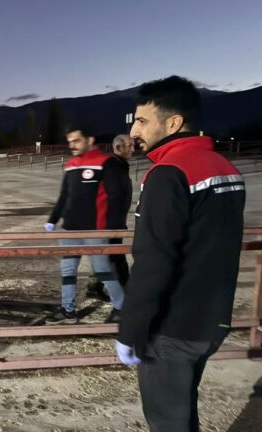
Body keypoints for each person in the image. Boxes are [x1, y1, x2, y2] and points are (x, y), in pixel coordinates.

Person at [116, 76, 245, 431]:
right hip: (213, 320)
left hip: (172, 329)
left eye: (142, 121)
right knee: (182, 408)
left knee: (168, 420)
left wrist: (130, 331)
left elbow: (153, 261)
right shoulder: (227, 169)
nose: (133, 130)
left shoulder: (168, 174)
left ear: (173, 122)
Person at [44, 126, 128, 325]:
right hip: (70, 230)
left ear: (90, 140)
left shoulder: (106, 163)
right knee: (67, 270)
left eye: (76, 141)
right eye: (69, 141)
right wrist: (53, 219)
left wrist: (114, 227)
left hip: (95, 230)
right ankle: (68, 311)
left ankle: (122, 308)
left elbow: (117, 197)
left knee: (102, 270)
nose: (71, 145)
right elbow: (65, 196)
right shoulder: (72, 164)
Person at [86, 134, 135, 299]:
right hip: (110, 223)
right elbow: (113, 195)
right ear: (119, 147)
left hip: (113, 221)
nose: (133, 149)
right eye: (130, 146)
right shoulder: (113, 166)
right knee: (116, 257)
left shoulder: (119, 165)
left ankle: (94, 286)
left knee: (105, 255)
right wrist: (113, 223)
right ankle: (127, 293)